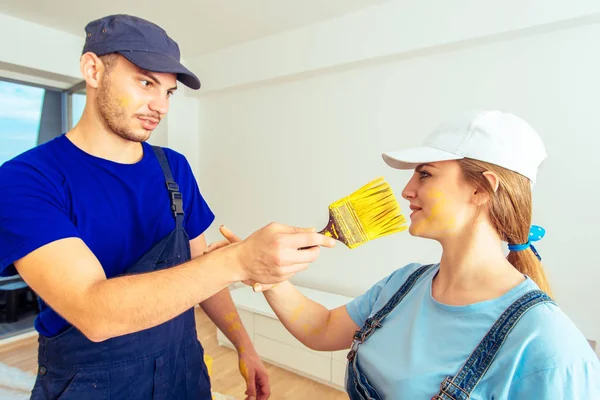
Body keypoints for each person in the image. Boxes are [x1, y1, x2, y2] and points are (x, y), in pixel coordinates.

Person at [0, 14, 335, 400]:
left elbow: (200, 271)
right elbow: (94, 314)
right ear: (93, 69)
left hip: (183, 372)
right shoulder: (28, 178)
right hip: (87, 384)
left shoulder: (172, 167)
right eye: (145, 82)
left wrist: (244, 344)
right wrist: (237, 261)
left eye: (169, 92)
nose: (160, 106)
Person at [210, 110, 600, 398]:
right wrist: (266, 272)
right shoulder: (406, 283)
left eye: (425, 174)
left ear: (482, 189)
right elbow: (323, 329)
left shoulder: (549, 347)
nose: (406, 190)